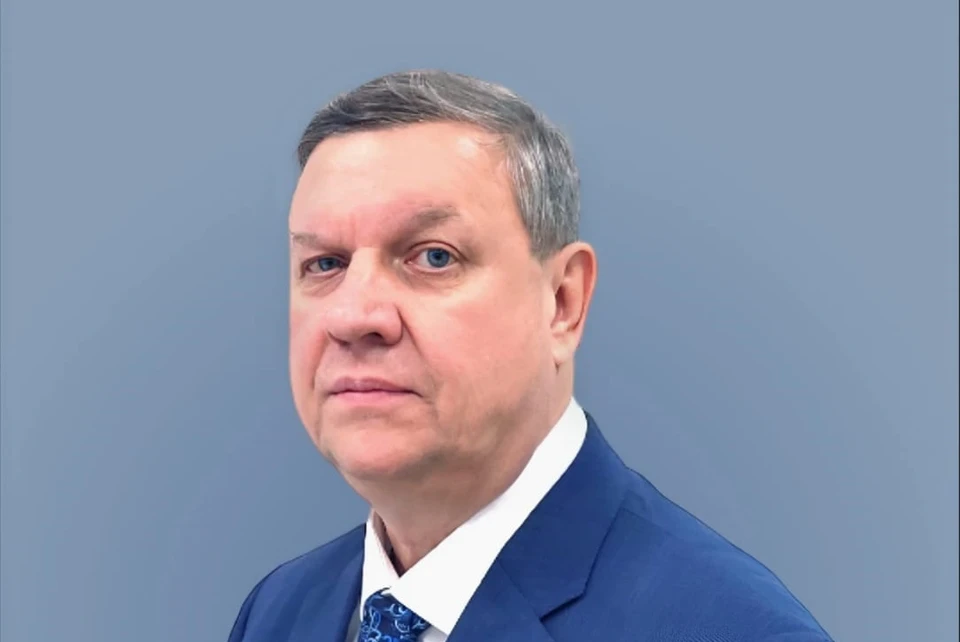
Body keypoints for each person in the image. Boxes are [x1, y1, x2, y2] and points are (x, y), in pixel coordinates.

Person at [228, 69, 833, 642]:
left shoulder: (729, 627)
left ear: (563, 302)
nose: (354, 316)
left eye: (434, 256)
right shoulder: (280, 611)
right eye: (324, 264)